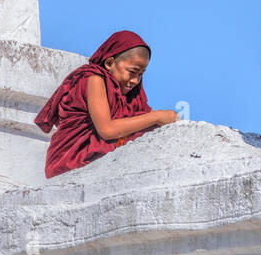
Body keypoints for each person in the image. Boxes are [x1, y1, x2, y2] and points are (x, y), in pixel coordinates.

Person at [34, 30, 179, 177]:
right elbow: (107, 130)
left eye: (141, 74)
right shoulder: (94, 79)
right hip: (71, 161)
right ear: (109, 63)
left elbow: (136, 123)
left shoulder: (131, 94)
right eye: (132, 71)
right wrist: (156, 117)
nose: (135, 80)